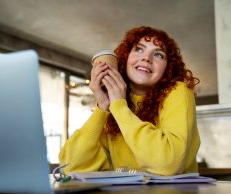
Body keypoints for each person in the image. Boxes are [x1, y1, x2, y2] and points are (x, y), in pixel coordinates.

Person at [59, 26, 200, 175]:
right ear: (126, 58)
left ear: (168, 67)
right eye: (139, 49)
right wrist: (102, 108)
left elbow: (168, 163)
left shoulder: (178, 91)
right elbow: (70, 167)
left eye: (158, 54)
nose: (146, 58)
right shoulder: (112, 103)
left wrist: (119, 107)